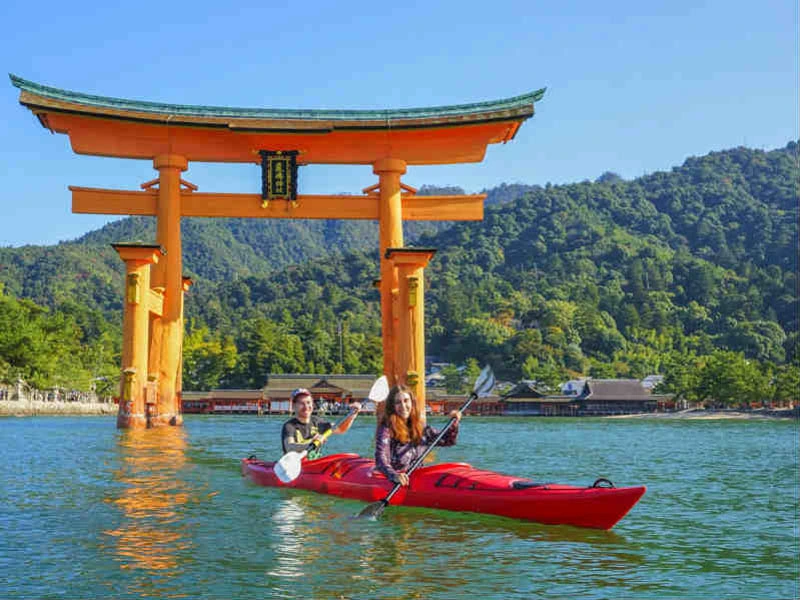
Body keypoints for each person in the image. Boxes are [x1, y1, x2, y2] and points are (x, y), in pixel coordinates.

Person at [375, 385, 462, 486]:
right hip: (396, 477)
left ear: (412, 402)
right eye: (398, 402)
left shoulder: (420, 427)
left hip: (418, 476)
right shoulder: (386, 428)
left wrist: (454, 424)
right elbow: (381, 457)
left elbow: (447, 441)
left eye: (406, 401)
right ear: (392, 406)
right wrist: (394, 476)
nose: (403, 406)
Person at [281, 388, 361, 459]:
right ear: (294, 406)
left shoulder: (318, 422)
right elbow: (289, 447)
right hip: (294, 467)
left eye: (308, 402)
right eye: (301, 403)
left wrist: (351, 417)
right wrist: (311, 443)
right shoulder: (289, 426)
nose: (306, 407)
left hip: (315, 465)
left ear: (312, 404)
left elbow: (341, 429)